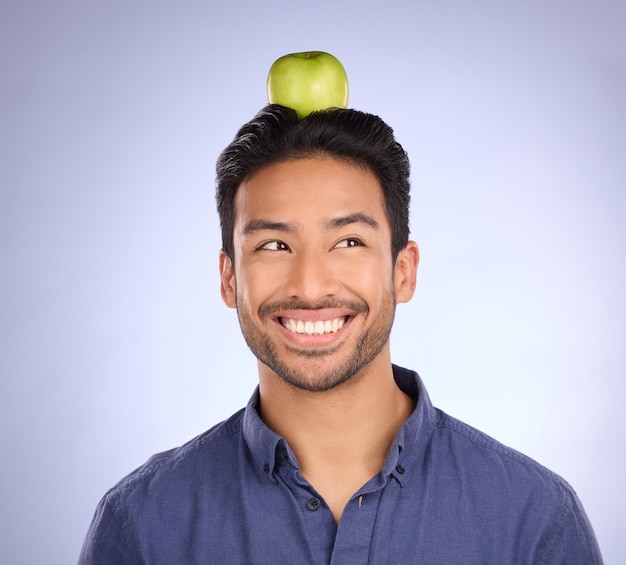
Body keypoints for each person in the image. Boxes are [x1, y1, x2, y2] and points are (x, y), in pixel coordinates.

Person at [79, 104, 603, 564]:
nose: (311, 286)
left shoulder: (534, 520)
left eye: (349, 241)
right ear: (229, 278)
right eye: (274, 246)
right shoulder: (142, 524)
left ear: (403, 271)